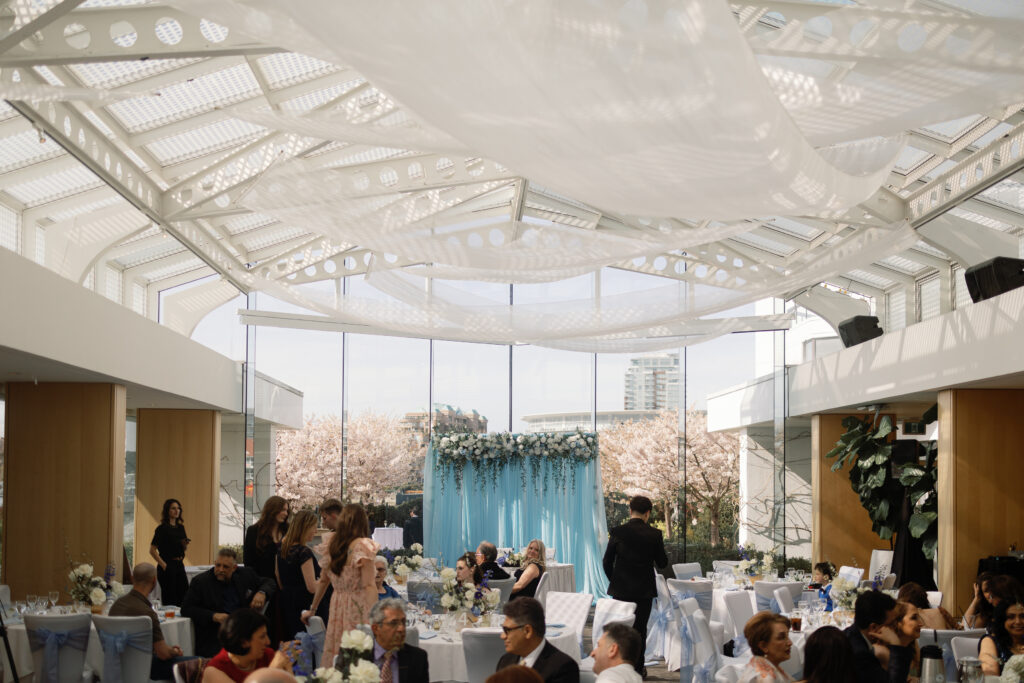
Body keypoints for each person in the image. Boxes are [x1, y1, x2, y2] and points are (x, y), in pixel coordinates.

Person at [301, 503, 378, 660]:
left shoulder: (333, 544)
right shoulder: (363, 546)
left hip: (337, 606)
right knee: (359, 657)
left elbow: (323, 581)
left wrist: (313, 609)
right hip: (358, 606)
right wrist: (376, 615)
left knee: (338, 652)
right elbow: (369, 585)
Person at [602, 495, 668, 676]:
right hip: (643, 591)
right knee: (639, 630)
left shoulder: (617, 531)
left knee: (621, 629)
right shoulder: (655, 534)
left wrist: (614, 580)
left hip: (621, 590)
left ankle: (618, 668)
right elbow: (662, 563)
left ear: (630, 511)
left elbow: (607, 561)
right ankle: (638, 670)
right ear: (648, 513)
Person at [183, 548, 276, 657]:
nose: (220, 570)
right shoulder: (201, 582)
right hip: (215, 635)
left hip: (244, 631)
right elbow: (186, 609)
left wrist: (261, 592)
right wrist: (214, 616)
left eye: (225, 567)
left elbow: (269, 582)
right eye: (218, 565)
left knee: (267, 651)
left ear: (234, 568)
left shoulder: (245, 574)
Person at [109, 562, 197, 679]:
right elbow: (163, 654)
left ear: (132, 578)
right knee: (198, 663)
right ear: (154, 581)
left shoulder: (116, 605)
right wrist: (175, 651)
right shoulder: (147, 613)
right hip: (146, 667)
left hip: (118, 663)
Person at [496, 597, 579, 683]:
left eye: (507, 630)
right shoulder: (506, 661)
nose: (503, 636)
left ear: (527, 631)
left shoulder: (562, 668)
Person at [202, 608, 293, 682]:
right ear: (243, 642)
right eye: (262, 637)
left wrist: (287, 664)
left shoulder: (267, 655)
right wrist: (272, 670)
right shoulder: (215, 670)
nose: (268, 642)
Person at [843, 590, 913, 683]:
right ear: (874, 627)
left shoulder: (850, 634)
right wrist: (896, 645)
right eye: (892, 623)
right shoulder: (860, 655)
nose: (896, 626)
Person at [362, 597, 429, 683]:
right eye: (393, 623)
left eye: (403, 622)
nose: (401, 629)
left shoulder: (417, 658)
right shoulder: (355, 657)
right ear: (376, 628)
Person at [275, 509, 319, 640]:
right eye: (314, 527)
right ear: (305, 528)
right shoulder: (303, 552)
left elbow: (278, 577)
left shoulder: (281, 549)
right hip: (303, 605)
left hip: (286, 601)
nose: (315, 531)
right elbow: (311, 587)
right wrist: (325, 582)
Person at [149, 498, 189, 606]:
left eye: (178, 508)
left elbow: (183, 549)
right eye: (173, 508)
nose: (177, 511)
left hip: (179, 564)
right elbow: (152, 550)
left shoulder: (181, 527)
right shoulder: (162, 529)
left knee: (184, 596)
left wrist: (184, 544)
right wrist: (164, 565)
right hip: (167, 564)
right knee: (170, 599)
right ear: (168, 510)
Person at [245, 496, 291, 582]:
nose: (286, 514)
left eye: (287, 510)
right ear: (272, 510)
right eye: (283, 510)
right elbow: (249, 563)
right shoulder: (254, 531)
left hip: (285, 585)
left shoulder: (288, 531)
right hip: (262, 584)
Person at [738, 611, 793, 683]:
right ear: (763, 646)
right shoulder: (766, 678)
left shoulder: (762, 662)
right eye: (781, 637)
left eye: (787, 636)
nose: (790, 643)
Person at [873, 601, 922, 677]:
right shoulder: (881, 651)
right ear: (897, 622)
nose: (921, 623)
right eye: (914, 618)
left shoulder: (913, 647)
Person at [980, 594, 1024, 675]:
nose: (1018, 621)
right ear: (1002, 620)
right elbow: (990, 676)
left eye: (1023, 616)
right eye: (1011, 617)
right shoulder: (990, 641)